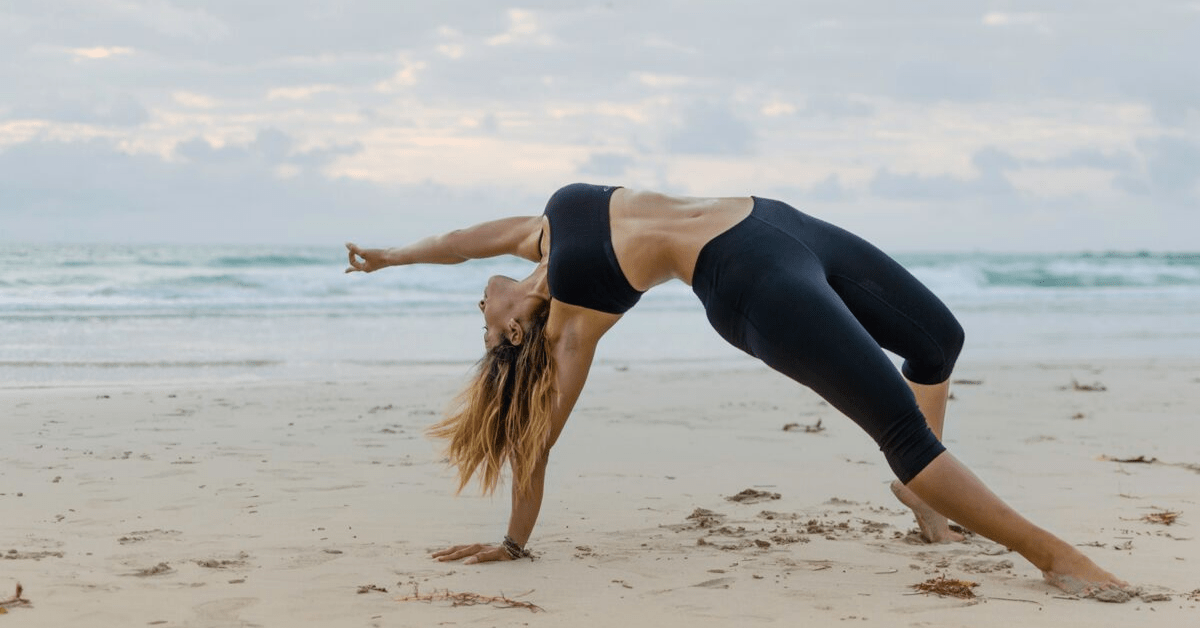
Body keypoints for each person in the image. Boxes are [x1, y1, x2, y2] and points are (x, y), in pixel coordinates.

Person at [345, 183, 1126, 596]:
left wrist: (384, 256)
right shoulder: (572, 326)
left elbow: (451, 244)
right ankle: (1052, 556)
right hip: (749, 281)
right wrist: (515, 543)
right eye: (483, 330)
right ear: (515, 333)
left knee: (937, 341)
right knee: (901, 429)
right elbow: (539, 442)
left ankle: (923, 501)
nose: (479, 309)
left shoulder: (542, 229)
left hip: (774, 220)